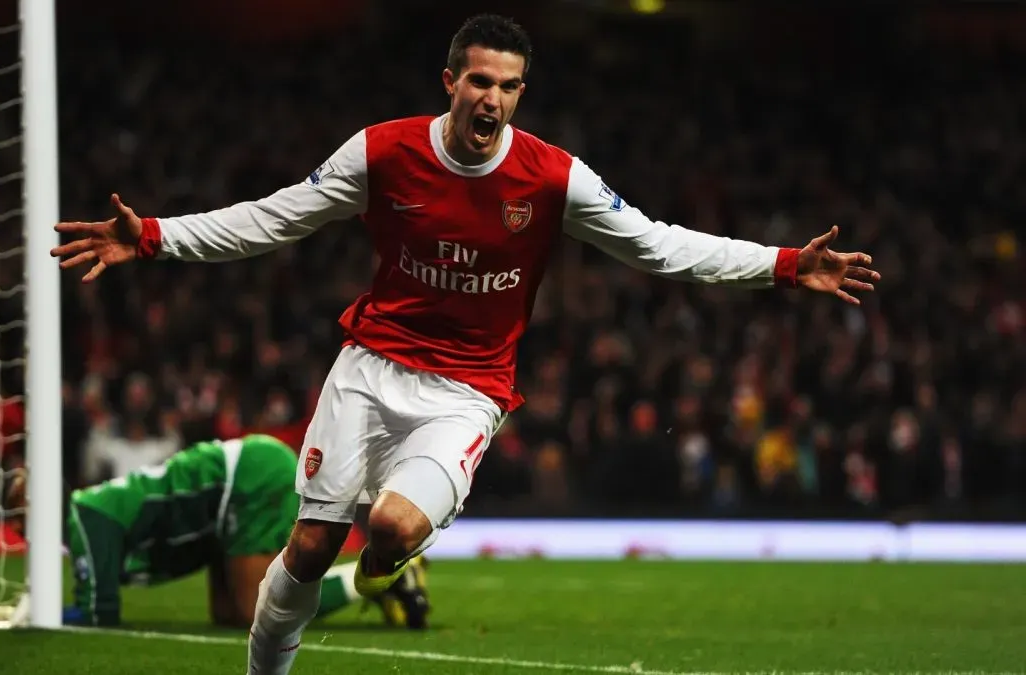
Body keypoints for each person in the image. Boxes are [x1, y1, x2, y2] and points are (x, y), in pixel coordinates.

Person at [50, 14, 880, 672]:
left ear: (522, 93)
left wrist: (783, 264)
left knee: (391, 526)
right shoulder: (383, 152)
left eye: (509, 86)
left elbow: (660, 246)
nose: (493, 100)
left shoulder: (553, 178)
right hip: (371, 367)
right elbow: (272, 219)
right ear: (450, 81)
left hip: (467, 391)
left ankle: (385, 564)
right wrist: (151, 236)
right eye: (480, 81)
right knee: (307, 546)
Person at [0, 434, 428, 629]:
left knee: (255, 610)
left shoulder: (87, 520)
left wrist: (6, 617)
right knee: (230, 617)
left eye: (19, 510)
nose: (15, 524)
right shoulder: (87, 517)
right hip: (220, 508)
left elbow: (99, 615)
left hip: (247, 476)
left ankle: (384, 577)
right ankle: (376, 581)